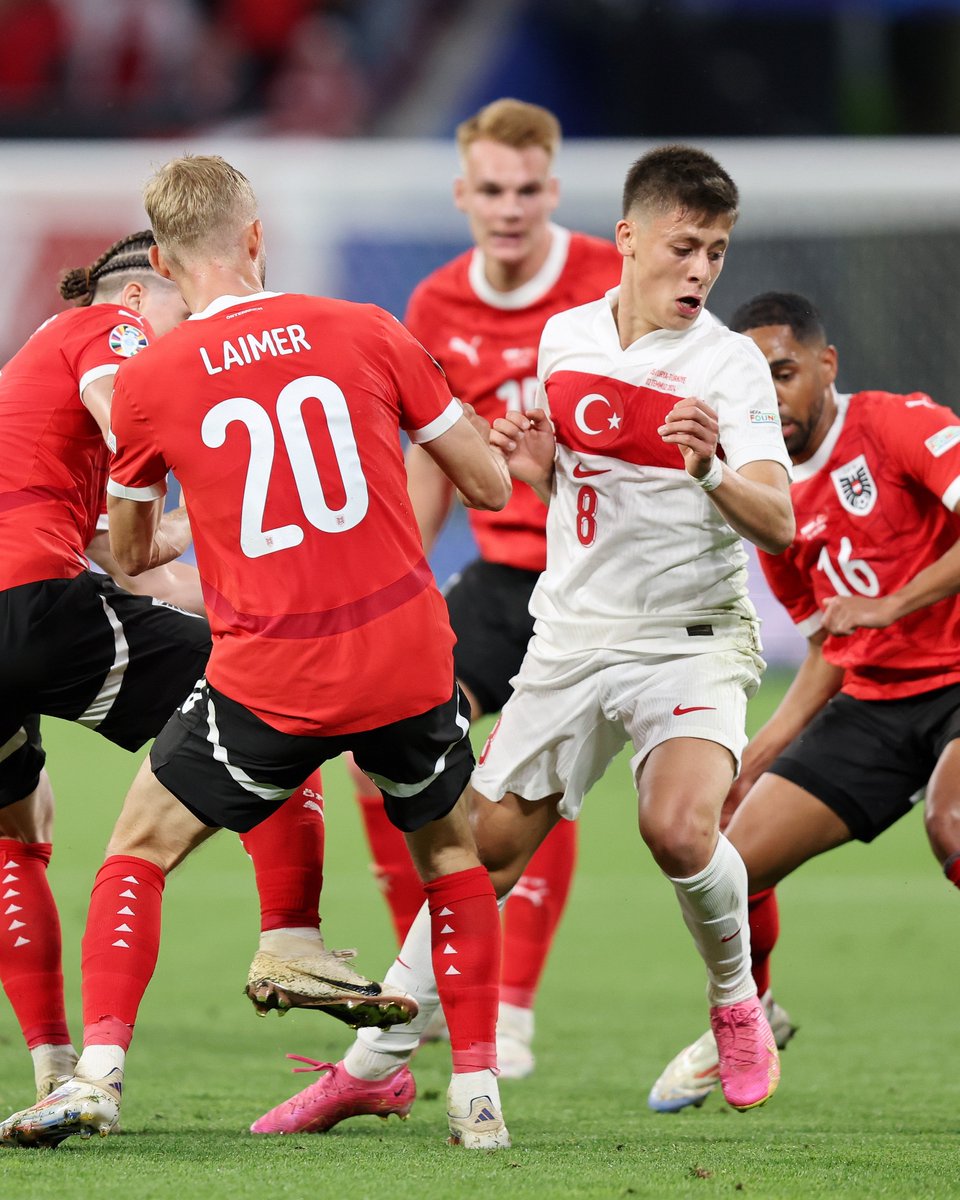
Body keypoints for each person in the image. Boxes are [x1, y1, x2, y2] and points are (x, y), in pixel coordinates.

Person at [248, 143, 795, 1139]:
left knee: (677, 830)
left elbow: (781, 520)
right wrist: (545, 468)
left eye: (716, 252)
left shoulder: (729, 362)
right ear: (629, 239)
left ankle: (734, 1003)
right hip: (573, 635)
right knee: (479, 856)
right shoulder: (565, 340)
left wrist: (713, 473)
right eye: (684, 248)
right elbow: (584, 498)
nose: (702, 271)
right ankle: (372, 1068)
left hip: (690, 640)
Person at [0, 154, 515, 1151]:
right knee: (451, 855)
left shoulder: (151, 379)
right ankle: (478, 1097)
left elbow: (136, 550)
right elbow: (489, 487)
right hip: (406, 653)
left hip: (273, 677)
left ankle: (90, 1074)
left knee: (133, 846)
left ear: (159, 258)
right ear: (255, 235)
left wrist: (215, 511)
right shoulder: (367, 327)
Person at [0, 232, 391, 1114]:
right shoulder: (113, 327)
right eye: (184, 308)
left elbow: (138, 562)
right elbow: (121, 406)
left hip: (21, 603)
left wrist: (264, 592)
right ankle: (292, 933)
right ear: (142, 295)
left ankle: (57, 1071)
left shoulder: (39, 384)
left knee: (19, 831)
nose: (194, 326)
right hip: (27, 601)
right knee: (272, 701)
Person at [344, 97, 621, 1079]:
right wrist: (400, 591)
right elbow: (428, 460)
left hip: (595, 573)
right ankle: (416, 986)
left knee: (528, 773)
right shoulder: (435, 306)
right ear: (463, 193)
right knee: (385, 749)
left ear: (553, 190)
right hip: (501, 574)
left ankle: (506, 1007)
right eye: (491, 190)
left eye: (528, 189)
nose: (509, 207)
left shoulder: (608, 284)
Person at [647, 290, 960, 1112]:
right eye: (752, 378)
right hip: (877, 701)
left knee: (951, 823)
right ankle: (750, 1014)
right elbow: (829, 642)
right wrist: (768, 745)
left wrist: (893, 605)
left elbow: (870, 610)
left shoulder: (896, 424)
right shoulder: (769, 496)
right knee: (731, 867)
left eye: (782, 371)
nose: (770, 393)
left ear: (826, 367)